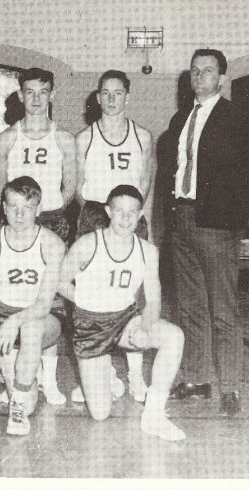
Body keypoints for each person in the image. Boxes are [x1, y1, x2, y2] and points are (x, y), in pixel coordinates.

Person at [58, 185, 186, 442]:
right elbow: (59, 281)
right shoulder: (88, 243)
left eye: (132, 212)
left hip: (125, 320)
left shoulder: (148, 251)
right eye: (119, 211)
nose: (126, 219)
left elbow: (154, 300)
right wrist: (84, 298)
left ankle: (154, 415)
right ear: (108, 212)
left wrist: (144, 328)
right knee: (100, 414)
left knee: (173, 336)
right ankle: (104, 370)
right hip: (90, 324)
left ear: (140, 214)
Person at [167, 49, 249, 416]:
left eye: (208, 71)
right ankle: (197, 378)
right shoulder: (180, 118)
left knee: (223, 311)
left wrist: (237, 224)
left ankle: (230, 386)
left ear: (222, 78)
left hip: (216, 225)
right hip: (182, 218)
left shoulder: (236, 118)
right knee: (191, 308)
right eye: (195, 70)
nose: (200, 76)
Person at [75, 71, 154, 403]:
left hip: (130, 218)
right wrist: (99, 220)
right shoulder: (84, 138)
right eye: (105, 93)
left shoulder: (142, 136)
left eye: (117, 93)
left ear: (127, 97)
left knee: (133, 298)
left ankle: (135, 376)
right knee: (96, 298)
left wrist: (128, 216)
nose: (111, 99)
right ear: (97, 97)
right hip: (95, 216)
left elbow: (145, 181)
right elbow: (78, 187)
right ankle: (103, 372)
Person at [0, 176, 65, 435]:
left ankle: (18, 405)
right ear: (3, 207)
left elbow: (43, 304)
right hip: (2, 313)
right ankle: (28, 376)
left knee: (31, 330)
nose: (19, 214)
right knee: (12, 380)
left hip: (43, 317)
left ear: (38, 209)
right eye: (13, 206)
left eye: (27, 207)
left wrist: (13, 322)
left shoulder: (52, 243)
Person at [0, 69, 76, 244]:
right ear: (20, 96)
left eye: (43, 92)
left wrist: (54, 209)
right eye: (30, 92)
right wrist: (17, 212)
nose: (36, 99)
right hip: (16, 219)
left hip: (52, 219)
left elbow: (70, 187)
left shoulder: (64, 138)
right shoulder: (6, 138)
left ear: (52, 95)